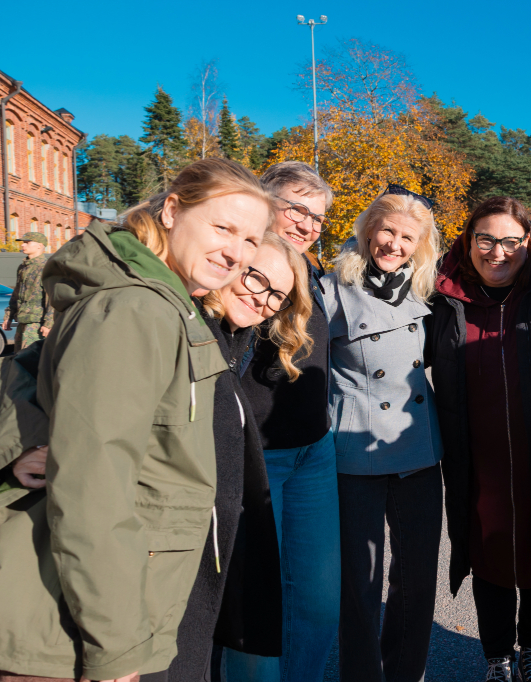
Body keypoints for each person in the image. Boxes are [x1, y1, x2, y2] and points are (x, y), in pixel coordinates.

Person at [0, 157, 272, 682]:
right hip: (63, 633)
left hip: (82, 616)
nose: (236, 251)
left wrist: (18, 443)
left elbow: (28, 381)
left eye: (252, 240)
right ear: (171, 211)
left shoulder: (161, 300)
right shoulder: (135, 309)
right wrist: (116, 647)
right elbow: (93, 488)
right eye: (223, 227)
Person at [429, 196, 531, 682]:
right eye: (486, 240)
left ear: (528, 242)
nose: (498, 251)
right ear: (468, 242)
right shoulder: (442, 295)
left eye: (510, 241)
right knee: (487, 551)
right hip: (478, 454)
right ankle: (497, 654)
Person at [170, 232, 311, 681]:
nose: (263, 299)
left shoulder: (235, 338)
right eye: (257, 278)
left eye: (277, 296)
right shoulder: (180, 324)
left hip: (202, 544)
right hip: (167, 550)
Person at [226, 161, 340, 682]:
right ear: (262, 200)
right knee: (257, 601)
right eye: (297, 208)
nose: (308, 224)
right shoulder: (236, 265)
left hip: (313, 451)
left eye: (318, 218)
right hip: (256, 457)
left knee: (318, 601)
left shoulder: (312, 274)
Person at [323, 188, 443, 682]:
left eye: (406, 237)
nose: (394, 243)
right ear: (369, 230)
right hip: (355, 451)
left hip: (416, 449)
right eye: (387, 231)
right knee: (361, 583)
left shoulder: (425, 292)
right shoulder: (331, 290)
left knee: (415, 581)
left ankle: (404, 673)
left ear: (420, 245)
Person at [3, 231, 54, 350]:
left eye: (27, 242)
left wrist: (48, 323)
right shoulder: (23, 267)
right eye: (23, 243)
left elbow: (51, 298)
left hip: (37, 322)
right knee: (19, 357)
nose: (22, 245)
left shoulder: (46, 267)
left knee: (31, 359)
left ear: (39, 246)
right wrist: (9, 316)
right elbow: (17, 293)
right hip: (22, 319)